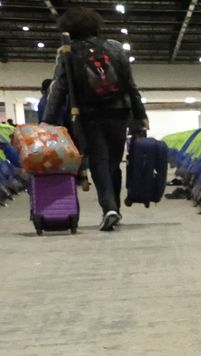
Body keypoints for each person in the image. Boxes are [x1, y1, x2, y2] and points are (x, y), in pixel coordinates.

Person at [44, 7, 148, 232]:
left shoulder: (67, 51)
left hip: (89, 114)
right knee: (114, 162)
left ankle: (109, 209)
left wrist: (47, 122)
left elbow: (59, 88)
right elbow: (130, 85)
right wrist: (140, 115)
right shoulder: (115, 47)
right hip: (119, 112)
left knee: (99, 161)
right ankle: (115, 209)